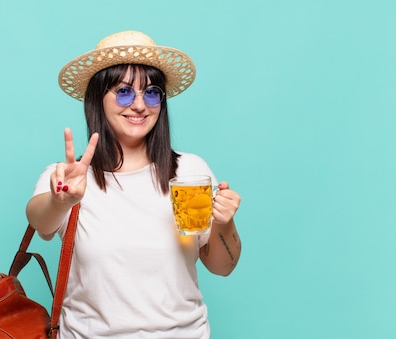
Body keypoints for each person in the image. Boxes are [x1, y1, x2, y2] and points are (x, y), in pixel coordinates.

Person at [26, 30, 242, 338]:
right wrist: (60, 201)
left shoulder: (189, 171)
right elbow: (38, 219)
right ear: (97, 99)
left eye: (151, 92)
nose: (140, 105)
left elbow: (222, 266)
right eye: (125, 92)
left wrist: (225, 223)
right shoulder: (72, 178)